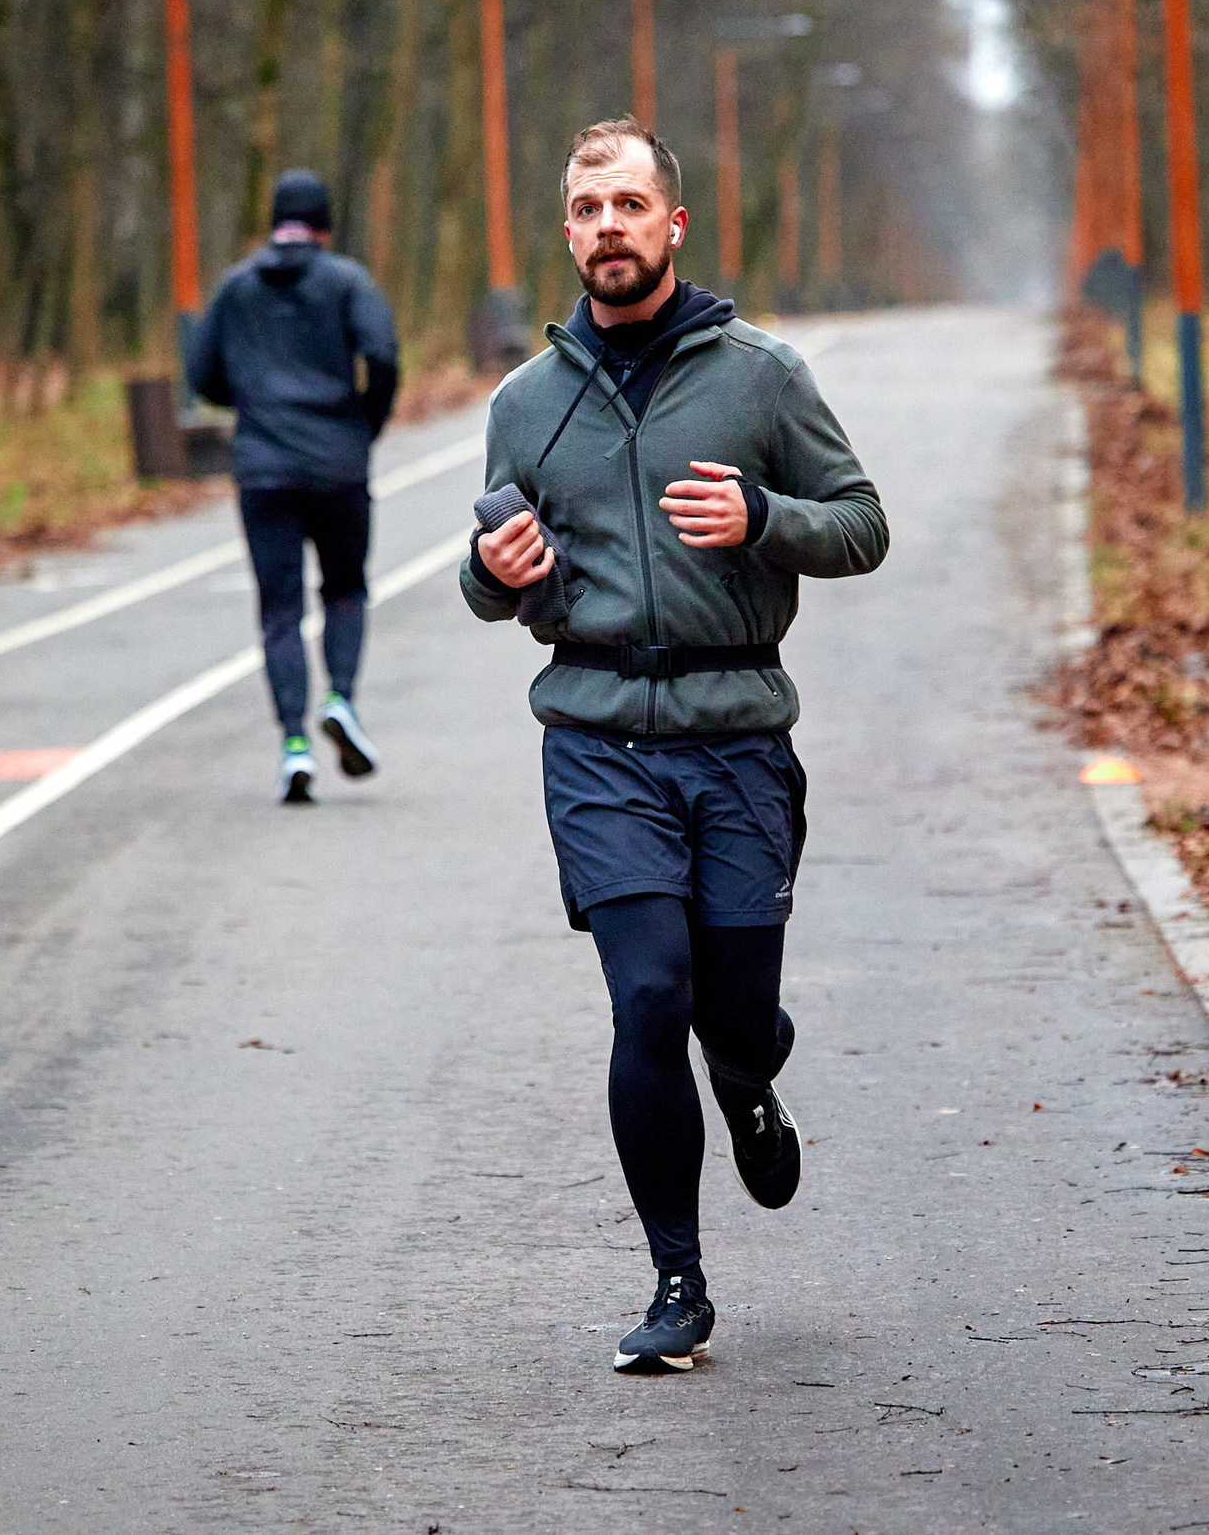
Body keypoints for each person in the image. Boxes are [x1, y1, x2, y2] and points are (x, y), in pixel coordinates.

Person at [461, 117, 888, 1374]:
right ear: (568, 231)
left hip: (738, 736)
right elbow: (499, 582)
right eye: (587, 209)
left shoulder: (759, 374)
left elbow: (861, 526)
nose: (608, 229)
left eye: (629, 207)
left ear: (673, 223)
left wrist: (762, 516)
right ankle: (677, 1282)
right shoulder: (524, 403)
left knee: (729, 1015)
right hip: (596, 740)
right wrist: (494, 572)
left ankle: (749, 1073)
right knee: (648, 997)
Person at [188, 169, 401, 804]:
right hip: (337, 461)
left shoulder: (235, 288)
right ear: (325, 224)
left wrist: (250, 399)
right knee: (344, 589)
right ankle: (340, 698)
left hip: (263, 468)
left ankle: (294, 746)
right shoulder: (347, 281)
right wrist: (368, 422)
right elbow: (384, 355)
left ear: (273, 221)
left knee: (280, 610)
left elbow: (202, 375)